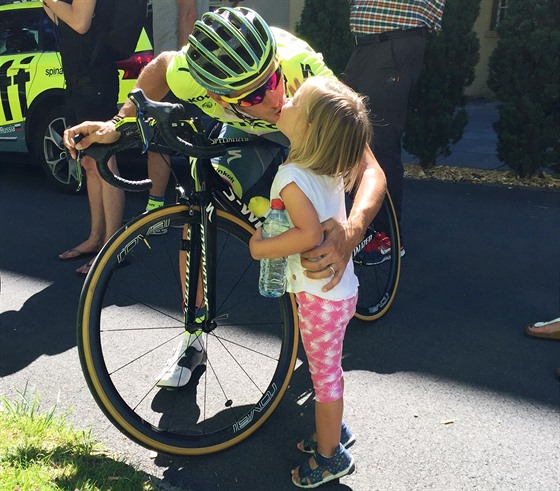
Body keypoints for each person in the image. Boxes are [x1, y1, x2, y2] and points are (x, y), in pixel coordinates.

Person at [63, 7, 387, 388]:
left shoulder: (301, 70)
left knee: (313, 200)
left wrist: (351, 230)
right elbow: (162, 67)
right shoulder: (191, 77)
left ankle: (323, 297)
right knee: (198, 200)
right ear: (216, 94)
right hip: (236, 129)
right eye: (254, 95)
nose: (274, 98)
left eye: (272, 81)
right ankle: (193, 339)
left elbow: (370, 169)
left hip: (301, 129)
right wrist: (117, 125)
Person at [249, 76, 368, 487]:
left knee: (324, 377)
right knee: (328, 370)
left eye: (297, 100)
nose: (287, 99)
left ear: (311, 129)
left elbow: (308, 236)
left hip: (319, 298)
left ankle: (331, 456)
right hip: (340, 291)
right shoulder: (329, 171)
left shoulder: (291, 177)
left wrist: (259, 246)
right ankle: (329, 431)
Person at [343, 0, 445, 262]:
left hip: (392, 45)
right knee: (354, 135)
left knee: (380, 143)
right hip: (374, 46)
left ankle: (388, 238)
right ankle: (365, 228)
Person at [44, 0, 124, 275]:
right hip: (78, 78)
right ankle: (95, 239)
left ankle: (113, 249)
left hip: (95, 80)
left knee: (105, 161)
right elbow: (61, 22)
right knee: (90, 163)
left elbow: (80, 23)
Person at [145, 0, 210, 216]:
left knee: (163, 142)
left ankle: (162, 213)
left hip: (180, 70)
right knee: (165, 142)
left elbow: (188, 13)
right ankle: (176, 211)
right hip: (174, 69)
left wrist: (185, 66)